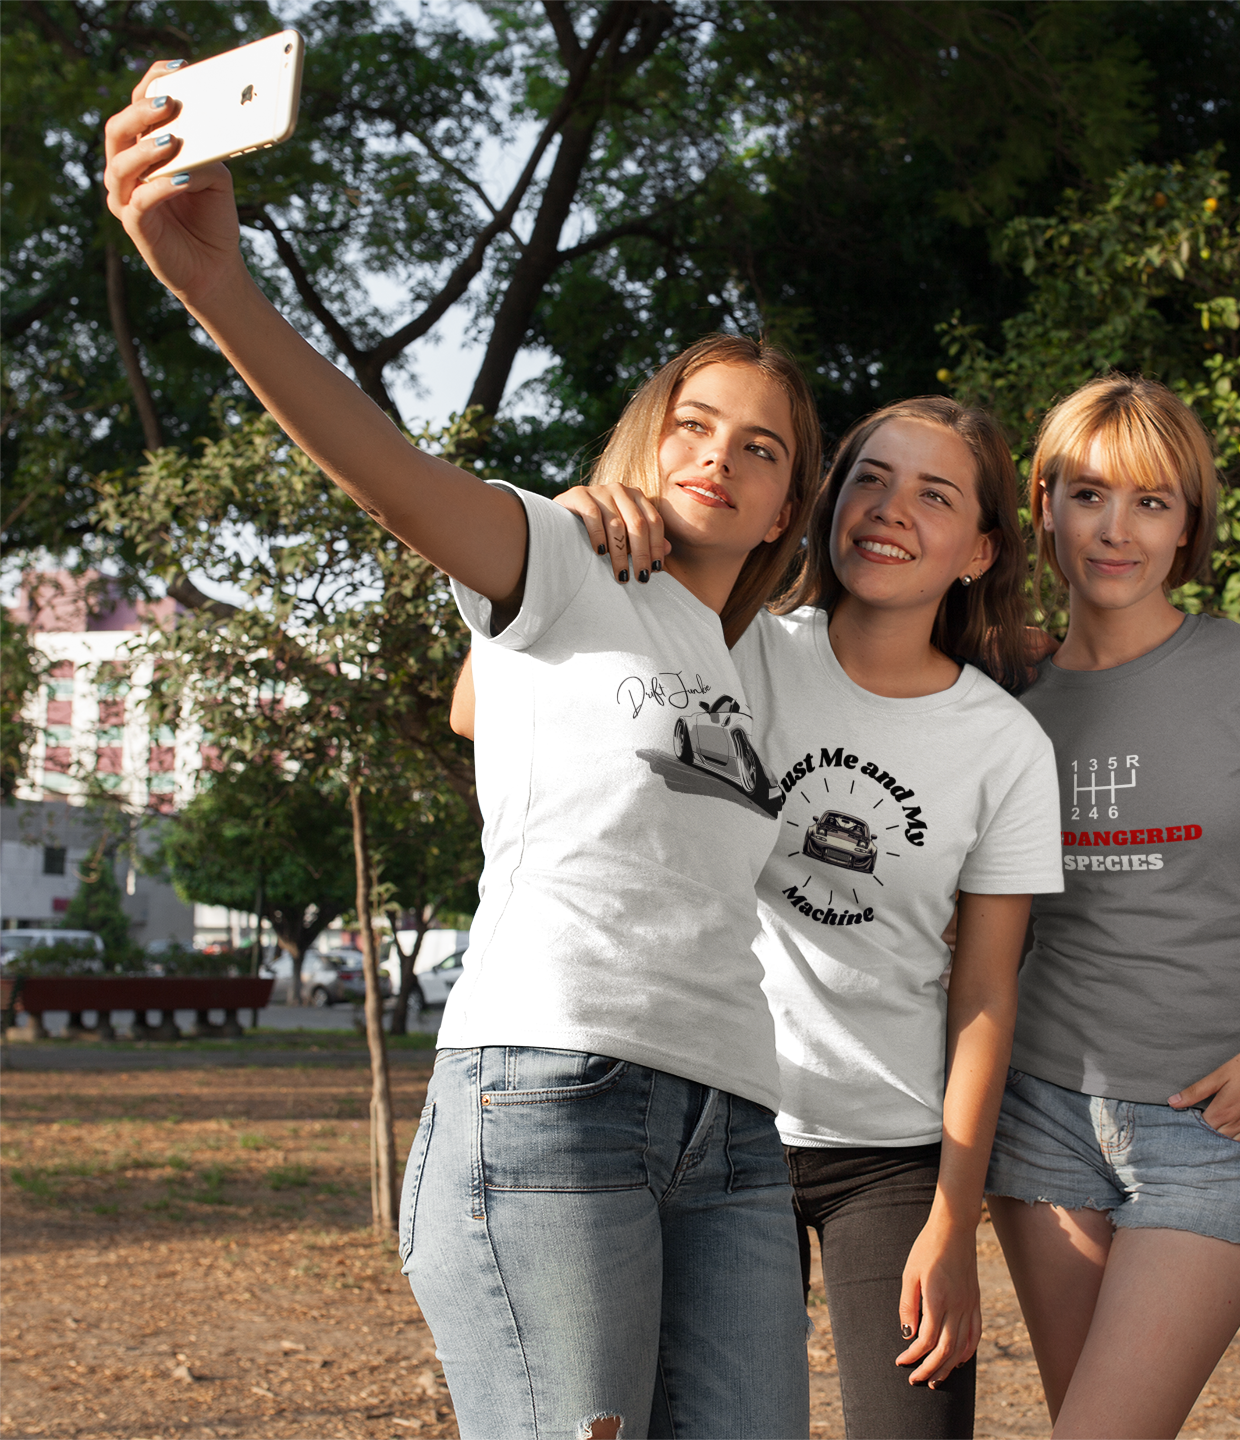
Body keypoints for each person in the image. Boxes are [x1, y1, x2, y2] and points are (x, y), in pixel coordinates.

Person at [106, 64, 827, 1438]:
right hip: (555, 1095)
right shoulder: (559, 554)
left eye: (763, 449)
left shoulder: (755, 662)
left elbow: (476, 707)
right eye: (692, 424)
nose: (719, 458)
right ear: (647, 436)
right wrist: (214, 287)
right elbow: (383, 465)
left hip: (734, 1122)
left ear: (789, 499)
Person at [526, 397, 1063, 1439]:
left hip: (893, 1152)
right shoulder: (736, 647)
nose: (890, 509)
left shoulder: (1004, 745)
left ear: (978, 548)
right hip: (718, 1126)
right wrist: (577, 535)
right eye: (870, 476)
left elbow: (987, 991)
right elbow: (490, 703)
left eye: (934, 494)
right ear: (823, 502)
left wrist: (957, 1218)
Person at [982, 375, 1240, 1440]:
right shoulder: (1006, 700)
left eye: (1151, 501)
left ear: (1189, 524)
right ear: (1043, 503)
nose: (1115, 530)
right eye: (1088, 494)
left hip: (1211, 1122)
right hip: (1043, 1108)